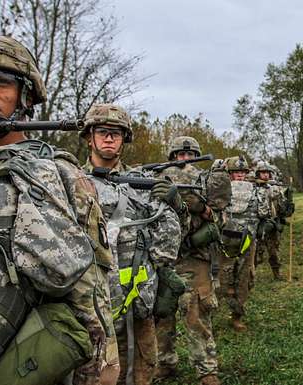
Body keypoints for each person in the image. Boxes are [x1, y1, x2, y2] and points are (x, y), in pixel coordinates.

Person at [0, 34, 118, 384]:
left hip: (12, 367)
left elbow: (90, 299)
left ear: (25, 93)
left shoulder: (57, 174)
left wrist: (101, 371)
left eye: (0, 81)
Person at [82, 103, 184, 385]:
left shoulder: (142, 184)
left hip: (138, 307)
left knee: (143, 374)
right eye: (102, 131)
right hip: (90, 312)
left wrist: (177, 207)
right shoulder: (69, 181)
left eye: (117, 133)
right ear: (89, 136)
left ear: (124, 140)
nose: (109, 138)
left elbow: (169, 244)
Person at [153, 136, 230, 385]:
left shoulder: (207, 181)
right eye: (180, 156)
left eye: (190, 156)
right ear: (172, 157)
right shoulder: (158, 178)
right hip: (164, 258)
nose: (185, 160)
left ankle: (206, 369)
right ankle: (164, 362)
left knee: (196, 312)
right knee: (161, 313)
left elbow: (222, 220)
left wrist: (201, 208)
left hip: (194, 258)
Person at [219, 156, 271, 330]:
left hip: (248, 241)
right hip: (225, 242)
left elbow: (263, 213)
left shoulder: (257, 191)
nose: (239, 175)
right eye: (236, 172)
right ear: (229, 174)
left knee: (245, 279)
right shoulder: (220, 191)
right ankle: (213, 311)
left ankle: (237, 315)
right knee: (223, 278)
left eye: (242, 172)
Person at [254, 161, 289, 280]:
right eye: (263, 173)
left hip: (273, 223)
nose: (266, 175)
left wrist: (286, 208)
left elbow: (281, 203)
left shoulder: (273, 187)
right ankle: (250, 275)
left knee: (274, 250)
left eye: (268, 173)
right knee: (255, 252)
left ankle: (276, 272)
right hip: (258, 225)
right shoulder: (252, 188)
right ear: (258, 173)